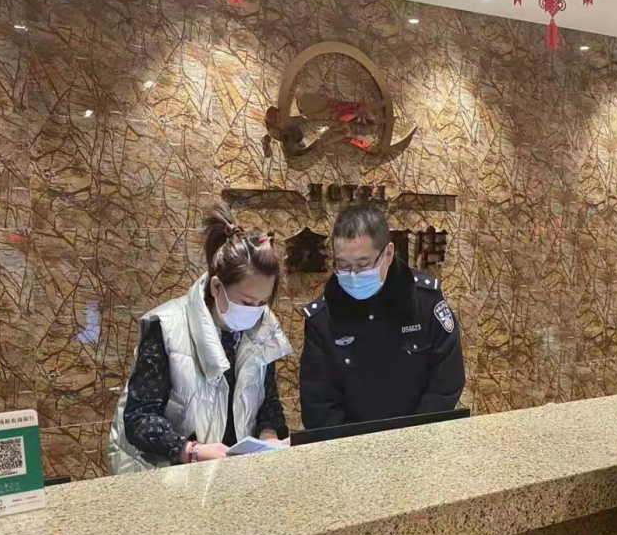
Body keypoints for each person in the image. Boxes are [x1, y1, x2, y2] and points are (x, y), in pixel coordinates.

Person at [106, 204, 292, 473]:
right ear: (217, 287)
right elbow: (139, 418)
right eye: (246, 302)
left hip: (233, 473)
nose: (255, 311)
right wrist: (190, 451)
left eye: (263, 302)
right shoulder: (167, 326)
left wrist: (269, 439)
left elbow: (268, 403)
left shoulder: (263, 326)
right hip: (170, 474)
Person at [299, 201, 465, 429]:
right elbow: (319, 405)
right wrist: (359, 446)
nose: (353, 276)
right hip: (349, 445)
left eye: (363, 265)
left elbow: (446, 382)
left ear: (388, 253)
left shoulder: (425, 301)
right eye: (343, 266)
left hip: (421, 438)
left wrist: (415, 437)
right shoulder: (322, 318)